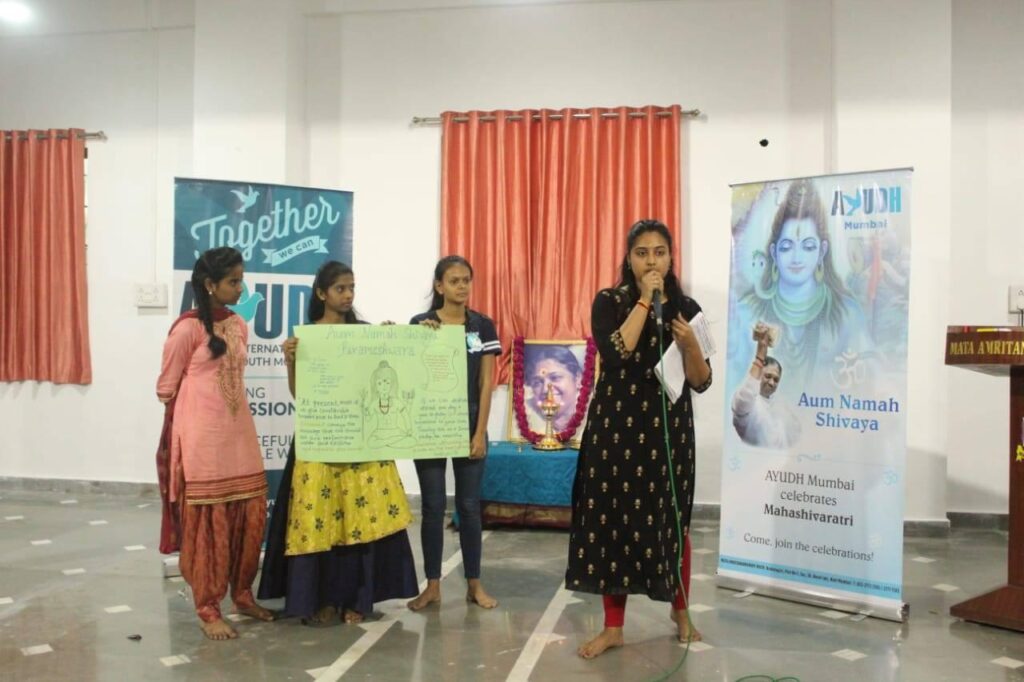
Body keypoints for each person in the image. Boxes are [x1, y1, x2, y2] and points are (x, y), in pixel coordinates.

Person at [565, 219, 712, 659]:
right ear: (629, 259)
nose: (652, 261)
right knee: (615, 521)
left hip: (668, 429)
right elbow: (616, 351)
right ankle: (614, 627)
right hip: (617, 428)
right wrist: (646, 302)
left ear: (671, 257)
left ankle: (681, 612)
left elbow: (701, 381)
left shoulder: (688, 307)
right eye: (643, 253)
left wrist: (688, 345)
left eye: (660, 252)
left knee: (673, 520)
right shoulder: (610, 301)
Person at [257, 261, 418, 625]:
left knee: (363, 518)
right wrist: (290, 362)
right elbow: (301, 394)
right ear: (321, 293)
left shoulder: (364, 333)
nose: (347, 296)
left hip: (361, 440)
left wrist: (394, 340)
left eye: (351, 288)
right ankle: (322, 601)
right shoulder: (308, 336)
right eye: (340, 289)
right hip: (320, 438)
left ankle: (358, 601)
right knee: (320, 520)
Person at [156, 247, 274, 640]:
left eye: (241, 280)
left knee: (248, 517)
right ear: (210, 285)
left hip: (239, 435)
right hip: (202, 440)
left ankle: (242, 593)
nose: (241, 288)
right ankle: (208, 608)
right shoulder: (187, 329)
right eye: (233, 282)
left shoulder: (239, 324)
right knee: (207, 525)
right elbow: (167, 387)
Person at [407, 255, 501, 611]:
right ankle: (432, 585)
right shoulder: (421, 324)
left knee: (469, 508)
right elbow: (408, 374)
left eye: (466, 280)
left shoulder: (482, 327)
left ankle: (474, 584)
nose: (462, 287)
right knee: (431, 508)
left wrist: (480, 433)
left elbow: (486, 382)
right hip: (429, 426)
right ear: (439, 286)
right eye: (454, 281)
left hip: (469, 426)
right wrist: (415, 340)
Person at [741, 179, 859, 387]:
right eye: (786, 247)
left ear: (822, 251)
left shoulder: (847, 313)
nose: (797, 258)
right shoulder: (748, 310)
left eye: (808, 246)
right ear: (773, 252)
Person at [731, 322, 801, 448]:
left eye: (776, 379)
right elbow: (745, 396)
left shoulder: (781, 406)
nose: (771, 382)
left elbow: (796, 434)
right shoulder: (747, 403)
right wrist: (760, 356)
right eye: (768, 376)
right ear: (759, 375)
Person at [524, 345, 584, 434]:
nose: (545, 389)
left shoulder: (592, 413)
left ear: (578, 379)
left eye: (555, 378)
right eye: (538, 382)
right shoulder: (525, 414)